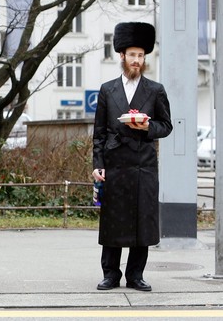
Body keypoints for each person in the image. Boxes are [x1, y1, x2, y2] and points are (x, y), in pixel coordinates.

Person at [92, 22, 173, 292]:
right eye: (132, 55)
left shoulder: (155, 89)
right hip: (115, 165)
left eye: (141, 55)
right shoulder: (107, 89)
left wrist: (147, 126)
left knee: (143, 221)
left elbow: (166, 126)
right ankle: (110, 274)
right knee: (113, 221)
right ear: (122, 56)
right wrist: (97, 166)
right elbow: (99, 134)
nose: (136, 60)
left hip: (143, 166)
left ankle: (135, 275)